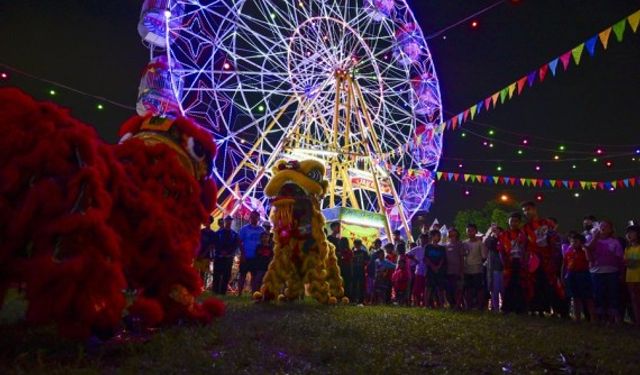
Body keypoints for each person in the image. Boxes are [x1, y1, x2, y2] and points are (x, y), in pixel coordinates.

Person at [521, 201, 561, 316]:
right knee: (534, 284)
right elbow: (524, 245)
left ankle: (556, 310)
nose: (526, 212)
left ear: (534, 209)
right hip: (533, 260)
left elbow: (555, 239)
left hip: (547, 259)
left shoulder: (546, 223)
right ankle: (536, 310)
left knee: (550, 283)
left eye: (528, 209)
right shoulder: (525, 227)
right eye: (524, 210)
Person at [585, 219, 624, 323]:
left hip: (612, 272)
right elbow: (588, 248)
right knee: (598, 294)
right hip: (596, 272)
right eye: (601, 226)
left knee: (612, 294)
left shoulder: (615, 242)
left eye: (606, 226)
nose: (603, 228)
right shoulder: (591, 239)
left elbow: (620, 259)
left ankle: (612, 318)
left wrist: (621, 273)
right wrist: (595, 237)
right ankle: (601, 317)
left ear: (611, 229)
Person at [499, 212, 529, 314]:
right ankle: (507, 308)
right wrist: (505, 262)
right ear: (508, 222)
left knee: (520, 285)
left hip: (520, 262)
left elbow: (527, 249)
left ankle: (520, 309)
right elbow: (501, 250)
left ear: (519, 222)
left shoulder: (523, 234)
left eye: (516, 221)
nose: (514, 223)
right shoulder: (504, 235)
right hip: (508, 263)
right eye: (512, 221)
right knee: (508, 285)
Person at [562, 232, 595, 322]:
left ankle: (593, 318)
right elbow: (564, 265)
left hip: (583, 274)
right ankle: (577, 318)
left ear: (581, 242)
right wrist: (563, 276)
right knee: (575, 297)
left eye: (576, 241)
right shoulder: (569, 252)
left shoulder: (584, 251)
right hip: (571, 274)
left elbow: (590, 260)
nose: (573, 243)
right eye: (572, 241)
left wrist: (586, 249)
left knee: (588, 297)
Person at [238, 211, 265, 295]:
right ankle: (239, 293)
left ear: (258, 218)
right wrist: (242, 254)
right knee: (242, 274)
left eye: (255, 217)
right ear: (250, 218)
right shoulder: (244, 229)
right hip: (246, 256)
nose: (253, 219)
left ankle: (254, 293)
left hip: (256, 257)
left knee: (255, 276)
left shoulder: (261, 230)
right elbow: (239, 241)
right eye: (252, 217)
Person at [212, 216, 240, 295]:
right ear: (225, 222)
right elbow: (215, 243)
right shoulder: (218, 233)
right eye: (227, 221)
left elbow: (235, 245)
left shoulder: (234, 234)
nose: (228, 222)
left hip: (228, 257)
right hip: (219, 256)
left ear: (231, 222)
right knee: (217, 273)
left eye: (230, 221)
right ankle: (215, 290)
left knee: (226, 275)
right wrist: (220, 252)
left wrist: (229, 253)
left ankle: (223, 292)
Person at [463, 223, 487, 310]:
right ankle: (468, 306)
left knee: (479, 288)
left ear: (476, 231)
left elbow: (484, 256)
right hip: (467, 269)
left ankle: (480, 306)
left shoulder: (480, 243)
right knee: (468, 288)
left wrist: (479, 263)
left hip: (477, 269)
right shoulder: (464, 243)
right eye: (468, 231)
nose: (470, 232)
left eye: (472, 230)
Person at [328, 222, 352, 300]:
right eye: (337, 227)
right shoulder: (329, 238)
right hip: (332, 261)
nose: (339, 228)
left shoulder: (339, 239)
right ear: (332, 228)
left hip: (339, 262)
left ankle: (339, 295)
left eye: (339, 227)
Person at [424, 230, 447, 308]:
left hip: (439, 271)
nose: (439, 237)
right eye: (437, 236)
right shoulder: (428, 247)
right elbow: (426, 258)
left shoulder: (442, 248)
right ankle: (426, 305)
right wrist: (433, 267)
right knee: (428, 288)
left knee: (440, 288)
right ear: (432, 237)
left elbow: (443, 259)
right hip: (430, 270)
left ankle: (441, 305)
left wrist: (438, 267)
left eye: (439, 236)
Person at [485, 224, 504, 312]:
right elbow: (486, 242)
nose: (497, 233)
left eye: (498, 231)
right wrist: (490, 233)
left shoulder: (505, 240)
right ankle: (495, 308)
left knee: (504, 290)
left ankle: (505, 307)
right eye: (495, 231)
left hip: (505, 270)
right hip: (495, 269)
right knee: (494, 290)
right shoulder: (491, 241)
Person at [624, 225, 640, 325]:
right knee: (634, 299)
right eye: (628, 233)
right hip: (630, 277)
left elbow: (633, 263)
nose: (629, 235)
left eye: (632, 232)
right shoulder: (628, 249)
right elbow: (626, 262)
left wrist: (631, 262)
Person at [445, 228, 465, 309]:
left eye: (453, 232)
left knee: (457, 289)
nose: (451, 234)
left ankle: (458, 305)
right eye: (450, 232)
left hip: (457, 270)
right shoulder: (446, 245)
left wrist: (462, 270)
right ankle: (452, 304)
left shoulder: (459, 244)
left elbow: (461, 258)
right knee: (449, 290)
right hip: (448, 271)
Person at [408, 233, 428, 307]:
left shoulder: (429, 248)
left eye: (424, 239)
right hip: (419, 271)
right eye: (421, 239)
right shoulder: (417, 248)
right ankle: (417, 304)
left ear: (427, 239)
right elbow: (407, 254)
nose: (422, 240)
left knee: (426, 289)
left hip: (427, 271)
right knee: (417, 290)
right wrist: (414, 260)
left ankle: (425, 304)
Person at [197, 216, 217, 287]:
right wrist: (197, 253)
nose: (206, 222)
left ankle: (201, 287)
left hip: (206, 255)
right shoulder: (201, 231)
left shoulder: (213, 234)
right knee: (196, 271)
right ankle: (195, 286)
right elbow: (197, 242)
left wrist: (204, 254)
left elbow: (211, 246)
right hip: (198, 254)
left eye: (208, 221)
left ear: (210, 222)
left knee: (203, 272)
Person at [351, 239, 370, 305]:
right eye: (356, 244)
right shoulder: (352, 252)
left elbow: (368, 261)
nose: (357, 246)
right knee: (354, 285)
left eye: (358, 244)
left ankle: (361, 300)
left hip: (361, 270)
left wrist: (364, 263)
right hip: (355, 270)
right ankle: (354, 299)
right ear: (354, 244)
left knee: (361, 285)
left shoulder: (364, 252)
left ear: (360, 245)